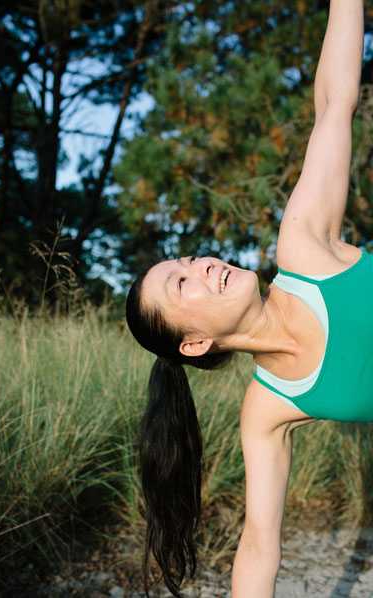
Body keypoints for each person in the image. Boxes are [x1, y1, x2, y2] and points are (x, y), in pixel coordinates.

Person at [124, 1, 366, 596]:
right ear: (196, 342)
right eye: (184, 283)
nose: (203, 263)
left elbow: (335, 103)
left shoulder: (303, 248)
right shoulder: (267, 411)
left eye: (187, 261)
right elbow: (260, 542)